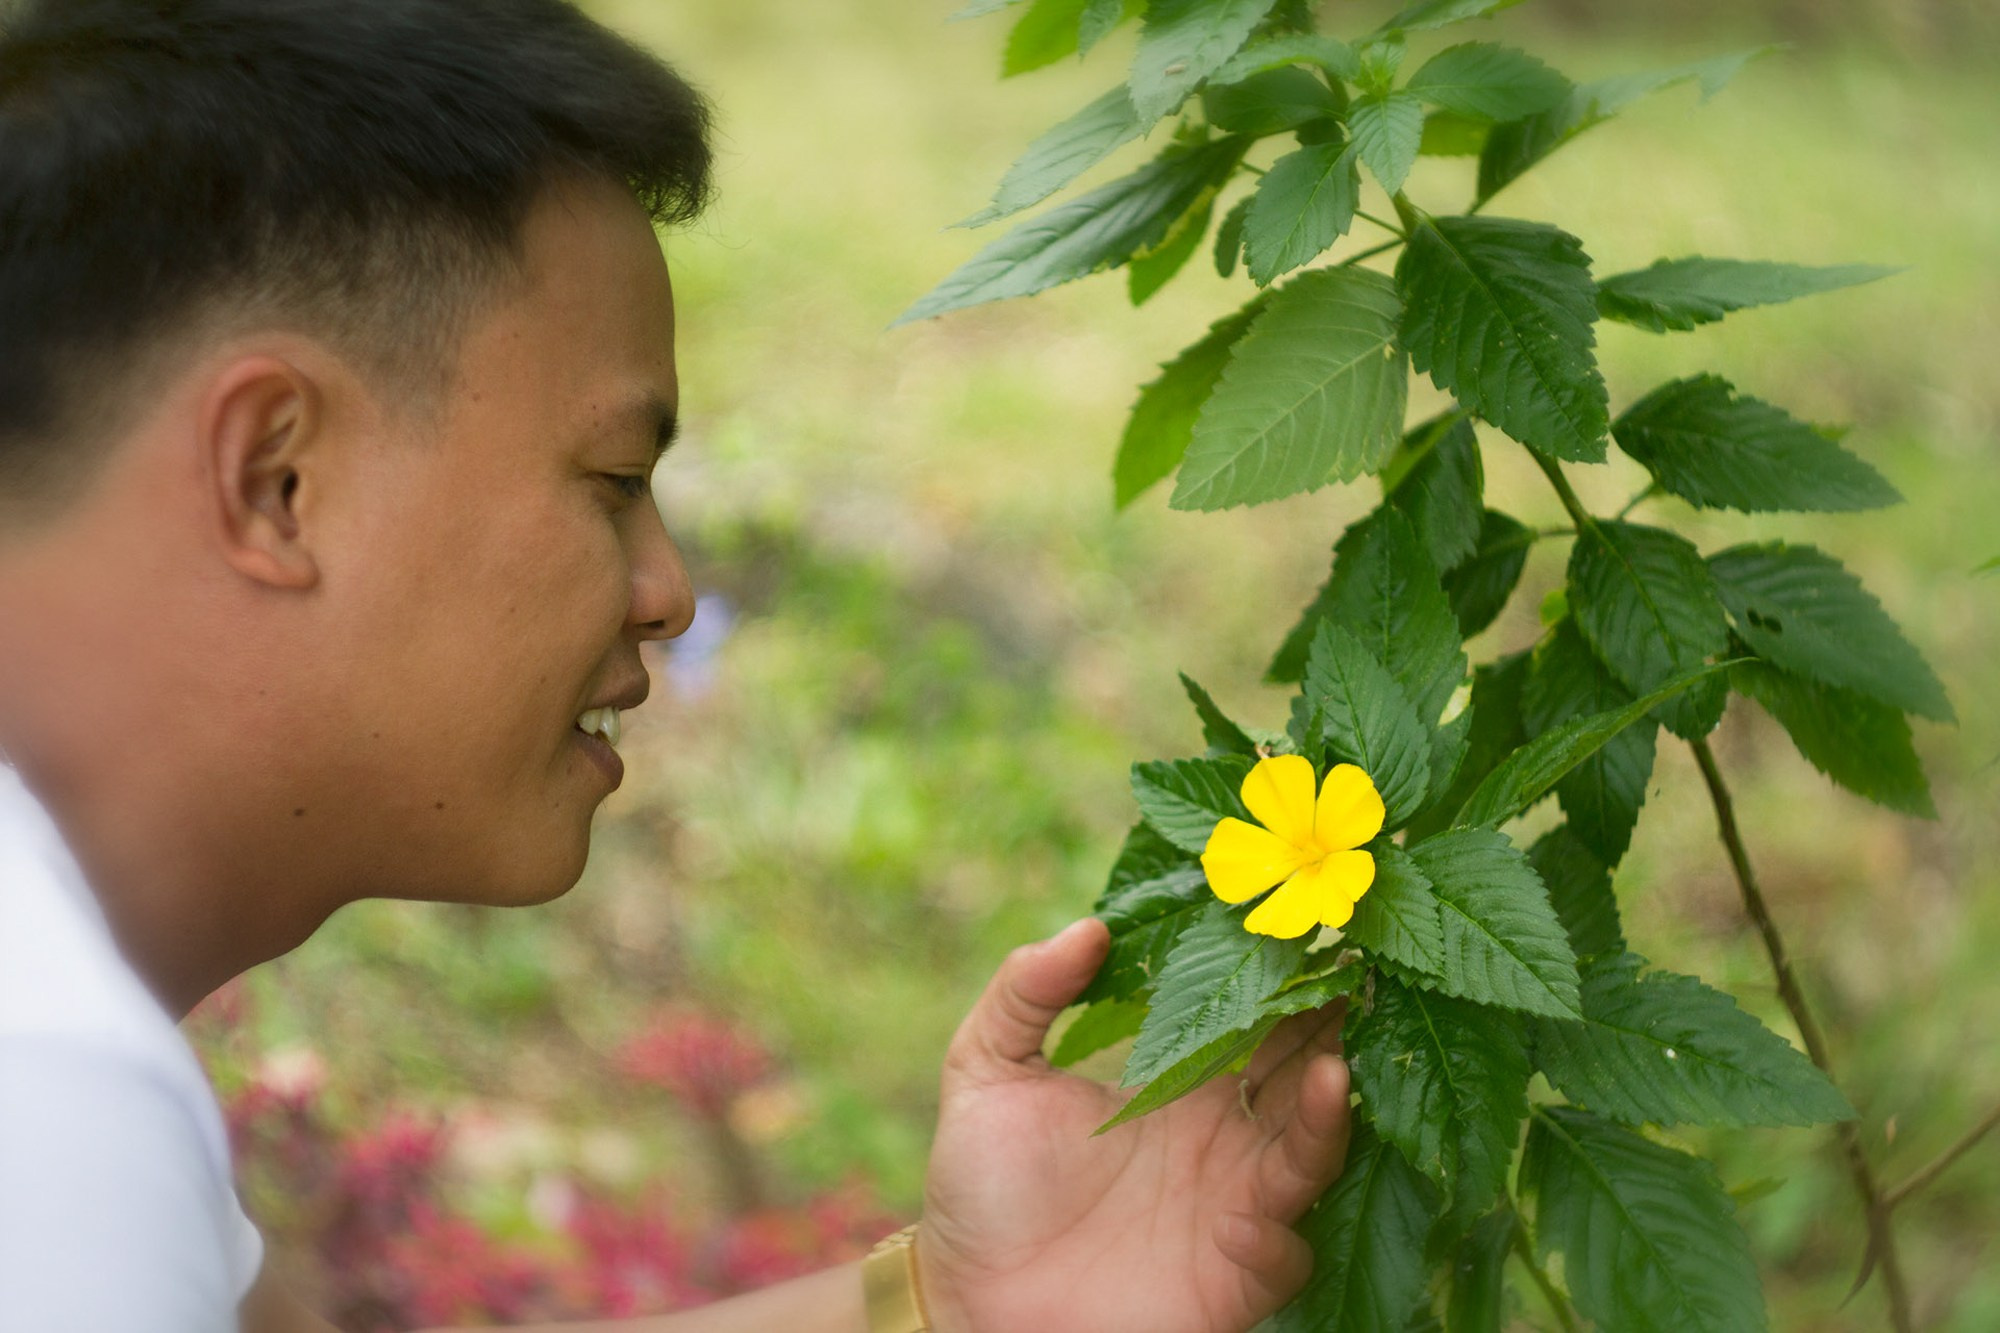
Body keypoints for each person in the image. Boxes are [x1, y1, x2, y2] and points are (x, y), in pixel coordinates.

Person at [0, 1, 1354, 1329]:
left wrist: (945, 1299)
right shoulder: (46, 1092)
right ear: (275, 479)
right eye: (613, 479)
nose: (669, 593)